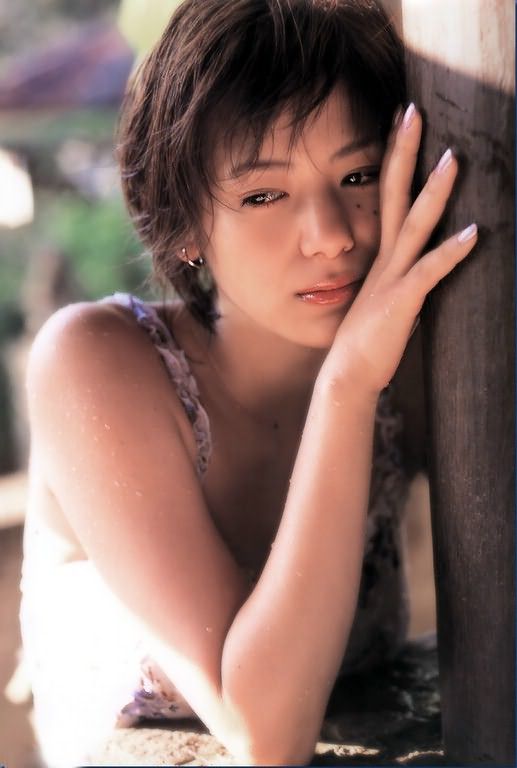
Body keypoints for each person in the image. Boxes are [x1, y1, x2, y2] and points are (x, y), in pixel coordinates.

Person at [20, 1, 478, 765]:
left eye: (358, 175)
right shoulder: (96, 362)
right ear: (185, 224)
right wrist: (347, 386)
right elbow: (261, 733)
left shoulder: (422, 361)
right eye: (264, 195)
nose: (330, 236)